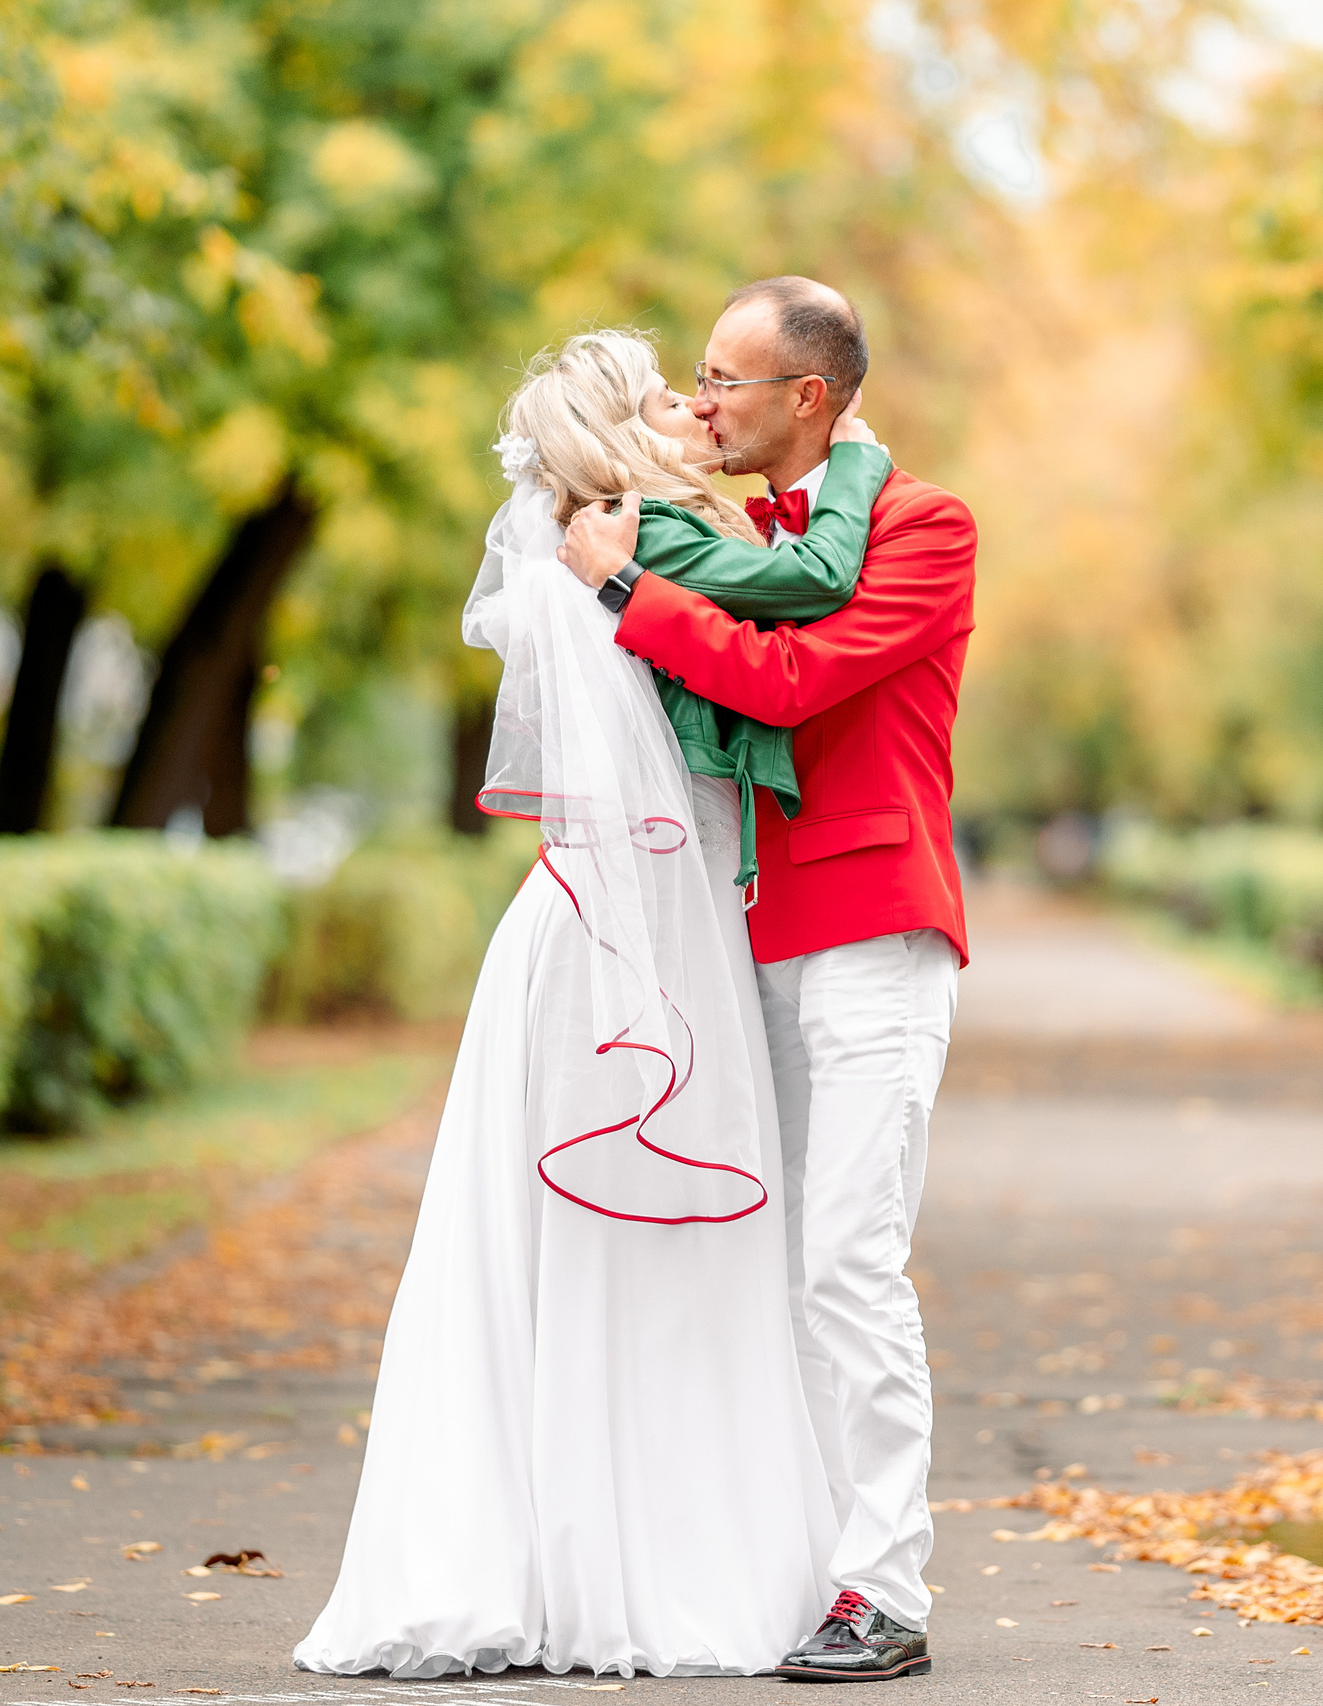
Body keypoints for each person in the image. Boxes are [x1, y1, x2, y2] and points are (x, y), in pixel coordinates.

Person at [292, 329, 897, 1680]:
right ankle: (633, 1563)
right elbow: (809, 587)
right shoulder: (652, 543)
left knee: (578, 1258)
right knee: (640, 1256)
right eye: (664, 395)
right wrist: (856, 458)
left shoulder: (606, 536)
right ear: (621, 437)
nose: (695, 406)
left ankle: (567, 1554)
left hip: (603, 922)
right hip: (635, 934)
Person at [560, 277, 977, 1684]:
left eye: (728, 376)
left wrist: (623, 587)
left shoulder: (924, 528)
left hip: (877, 931)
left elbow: (794, 685)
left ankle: (887, 1588)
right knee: (781, 1272)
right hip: (757, 941)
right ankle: (799, 1561)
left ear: (810, 397)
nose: (703, 396)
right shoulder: (743, 532)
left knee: (850, 1262)